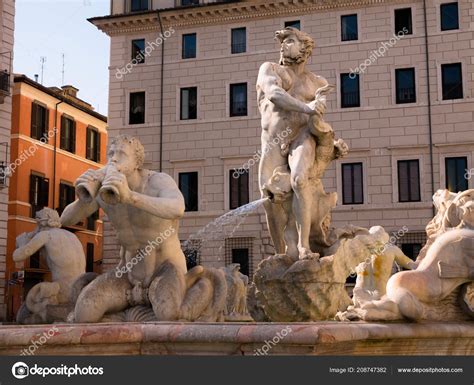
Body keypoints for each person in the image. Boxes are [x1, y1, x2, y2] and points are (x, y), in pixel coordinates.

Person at [61, 135, 187, 322]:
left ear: (137, 162)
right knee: (85, 311)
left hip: (165, 269)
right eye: (111, 153)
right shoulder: (105, 190)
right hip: (128, 274)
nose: (113, 158)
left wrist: (130, 197)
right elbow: (66, 219)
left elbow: (178, 208)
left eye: (121, 154)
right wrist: (83, 199)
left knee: (168, 314)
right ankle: (124, 320)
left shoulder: (157, 181)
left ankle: (193, 294)